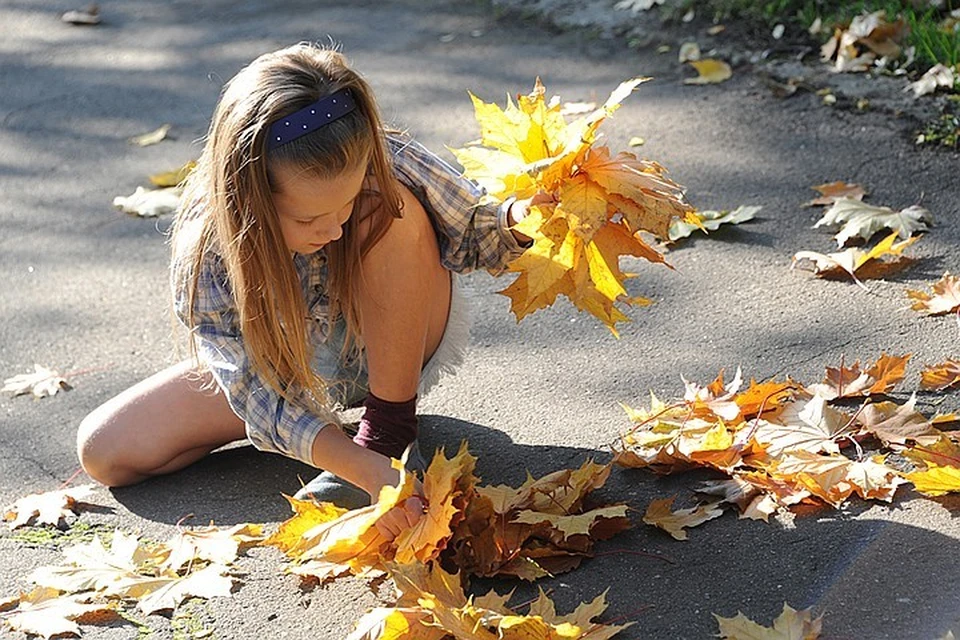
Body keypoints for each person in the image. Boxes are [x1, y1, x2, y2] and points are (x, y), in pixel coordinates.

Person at [76, 42, 538, 537]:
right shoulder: (205, 242)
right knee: (104, 451)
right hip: (285, 366)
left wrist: (528, 216)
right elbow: (249, 387)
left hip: (389, 342)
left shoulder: (381, 155)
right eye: (309, 217)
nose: (334, 229)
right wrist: (353, 465)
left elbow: (474, 233)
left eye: (343, 205)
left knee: (390, 208)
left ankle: (389, 433)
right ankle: (334, 436)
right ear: (246, 200)